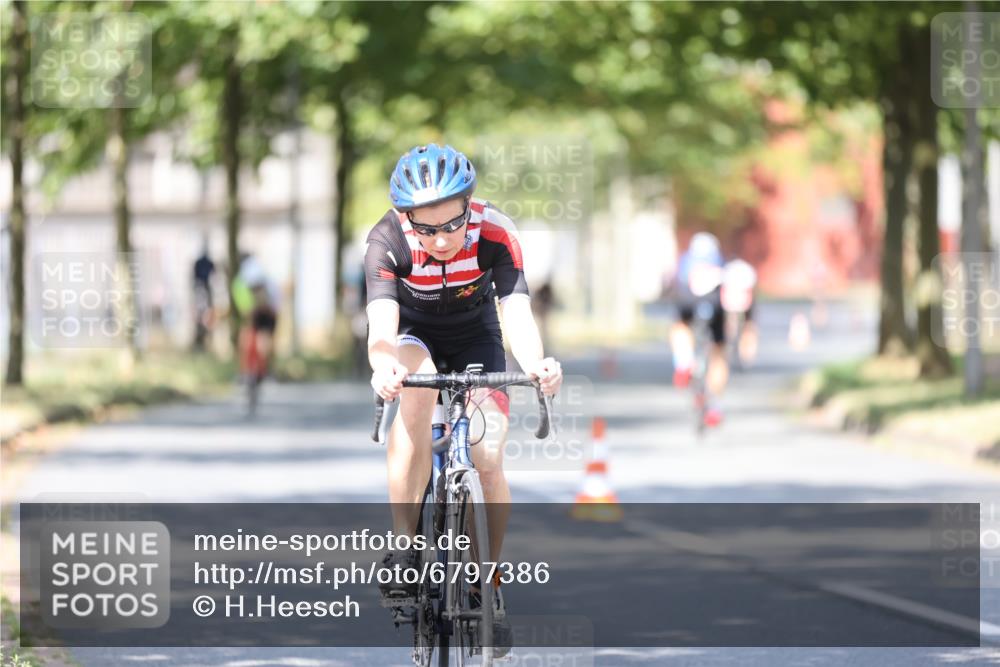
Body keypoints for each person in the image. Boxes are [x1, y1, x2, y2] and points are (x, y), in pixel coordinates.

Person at [365, 144, 562, 651]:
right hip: (413, 339)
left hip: (478, 338)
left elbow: (517, 312)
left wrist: (536, 363)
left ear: (469, 207)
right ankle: (405, 551)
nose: (441, 239)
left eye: (451, 225)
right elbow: (382, 328)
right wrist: (383, 367)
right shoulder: (387, 240)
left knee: (487, 453)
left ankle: (487, 582)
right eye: (426, 229)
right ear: (408, 218)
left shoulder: (495, 231)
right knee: (415, 392)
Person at [669, 232, 727, 426]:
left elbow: (675, 281)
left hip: (688, 299)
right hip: (716, 303)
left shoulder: (686, 260)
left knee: (679, 326)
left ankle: (684, 363)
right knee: (718, 352)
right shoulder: (719, 261)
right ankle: (715, 406)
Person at [231, 253, 280, 381]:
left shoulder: (270, 287)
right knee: (248, 340)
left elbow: (273, 308)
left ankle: (265, 371)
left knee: (264, 343)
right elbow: (246, 306)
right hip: (256, 312)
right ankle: (247, 371)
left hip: (267, 312)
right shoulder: (243, 282)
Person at [721, 257, 759, 368]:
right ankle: (746, 352)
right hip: (737, 300)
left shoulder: (728, 270)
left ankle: (736, 347)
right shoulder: (745, 270)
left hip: (734, 301)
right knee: (747, 325)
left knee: (741, 324)